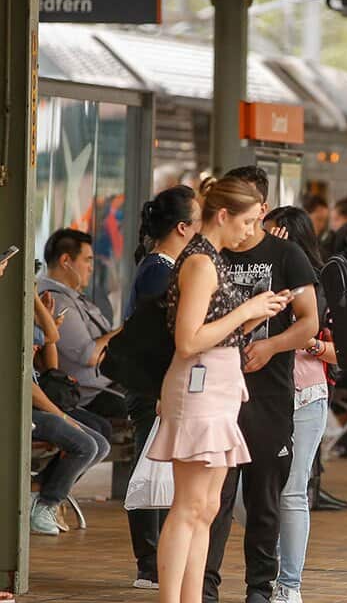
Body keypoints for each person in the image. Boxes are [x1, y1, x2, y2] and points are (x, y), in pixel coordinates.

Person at [151, 177, 292, 603]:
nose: (251, 231)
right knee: (191, 506)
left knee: (206, 506)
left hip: (216, 385)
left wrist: (253, 315)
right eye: (247, 221)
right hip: (200, 387)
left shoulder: (210, 257)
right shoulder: (200, 262)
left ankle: (190, 596)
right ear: (224, 215)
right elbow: (188, 338)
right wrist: (247, 311)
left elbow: (211, 332)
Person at [204, 166, 320, 603]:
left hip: (269, 393)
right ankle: (205, 586)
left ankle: (259, 587)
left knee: (264, 497)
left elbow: (309, 322)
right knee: (214, 495)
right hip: (215, 390)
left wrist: (271, 347)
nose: (247, 226)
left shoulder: (287, 256)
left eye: (253, 216)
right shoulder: (211, 255)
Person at [125, 186, 201, 588]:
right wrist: (159, 391)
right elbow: (157, 335)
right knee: (148, 466)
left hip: (159, 384)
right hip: (152, 387)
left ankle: (157, 561)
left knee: (157, 464)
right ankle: (149, 563)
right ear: (184, 227)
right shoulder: (159, 269)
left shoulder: (164, 265)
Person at [263, 206, 331, 603]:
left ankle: (289, 585)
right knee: (246, 491)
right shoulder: (256, 273)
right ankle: (275, 559)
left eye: (272, 233)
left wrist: (315, 344)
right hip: (261, 391)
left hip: (305, 392)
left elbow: (346, 348)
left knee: (291, 490)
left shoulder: (314, 284)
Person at [21, 256, 111, 538]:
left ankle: (42, 494)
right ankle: (46, 503)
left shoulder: (28, 313)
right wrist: (61, 416)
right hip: (26, 406)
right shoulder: (12, 317)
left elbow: (51, 343)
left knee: (99, 443)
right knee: (85, 444)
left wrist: (40, 311)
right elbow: (25, 386)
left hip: (39, 399)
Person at [38, 228, 122, 419]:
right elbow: (90, 355)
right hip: (88, 395)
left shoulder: (72, 297)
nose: (91, 268)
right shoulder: (55, 301)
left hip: (107, 384)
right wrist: (124, 330)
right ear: (66, 261)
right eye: (87, 260)